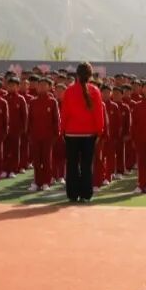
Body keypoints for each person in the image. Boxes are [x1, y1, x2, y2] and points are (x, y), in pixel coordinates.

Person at [59, 63, 105, 203]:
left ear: (77, 75)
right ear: (90, 76)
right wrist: (100, 131)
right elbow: (98, 114)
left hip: (71, 133)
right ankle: (86, 193)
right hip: (89, 134)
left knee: (72, 165)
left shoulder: (69, 91)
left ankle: (73, 194)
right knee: (86, 165)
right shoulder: (95, 91)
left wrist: (62, 130)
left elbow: (64, 113)